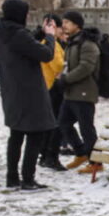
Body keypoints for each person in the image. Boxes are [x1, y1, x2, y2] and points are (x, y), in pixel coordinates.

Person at [0, 0, 57, 191]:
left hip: (12, 91)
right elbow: (46, 54)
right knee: (36, 134)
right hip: (30, 92)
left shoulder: (2, 31)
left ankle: (12, 178)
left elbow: (24, 46)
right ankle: (28, 179)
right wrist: (50, 36)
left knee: (16, 134)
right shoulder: (18, 34)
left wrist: (38, 33)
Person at [58, 11, 101, 174]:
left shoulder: (87, 43)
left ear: (77, 24)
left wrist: (66, 78)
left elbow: (86, 67)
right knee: (63, 123)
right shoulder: (73, 42)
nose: (64, 25)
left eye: (67, 22)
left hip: (84, 93)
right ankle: (81, 152)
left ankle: (96, 161)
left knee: (86, 128)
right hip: (71, 93)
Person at [38, 14, 67, 171]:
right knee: (56, 124)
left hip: (46, 87)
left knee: (49, 125)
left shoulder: (48, 43)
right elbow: (57, 66)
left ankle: (44, 155)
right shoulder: (52, 45)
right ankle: (49, 157)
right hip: (52, 88)